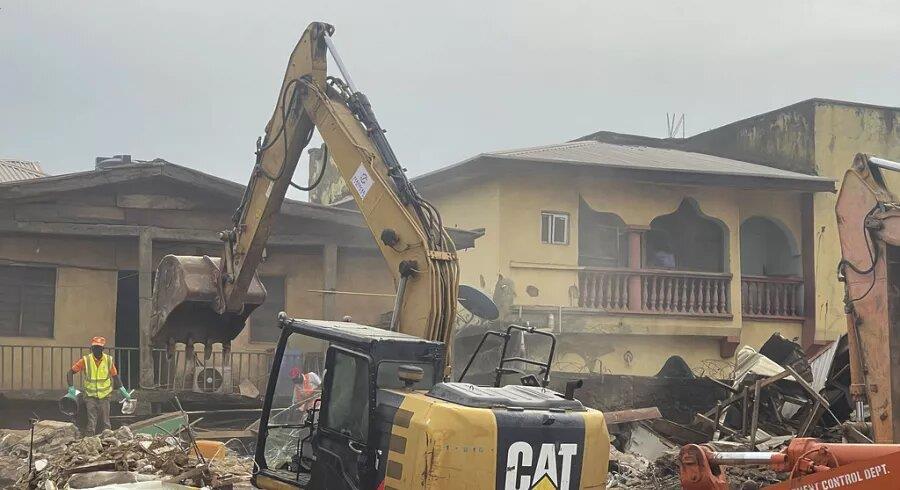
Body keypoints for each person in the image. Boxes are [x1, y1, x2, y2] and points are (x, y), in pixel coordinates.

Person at [66, 336, 131, 436]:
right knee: (91, 422)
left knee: (105, 421)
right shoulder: (86, 360)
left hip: (104, 396)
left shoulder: (108, 360)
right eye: (95, 347)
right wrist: (71, 387)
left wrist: (122, 390)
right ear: (92, 349)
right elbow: (70, 372)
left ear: (102, 349)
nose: (97, 349)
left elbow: (115, 376)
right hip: (90, 396)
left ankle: (108, 441)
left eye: (99, 348)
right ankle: (90, 441)